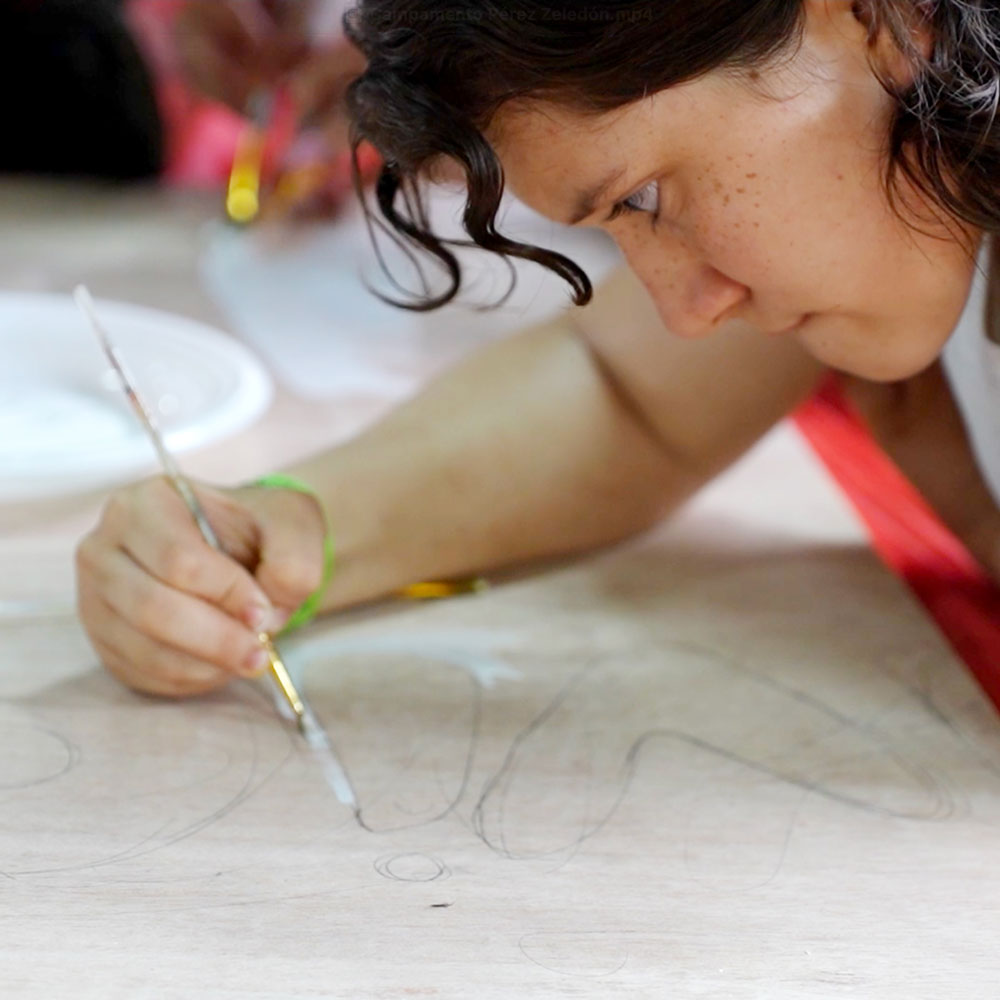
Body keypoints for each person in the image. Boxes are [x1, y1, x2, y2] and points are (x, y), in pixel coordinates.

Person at [77, 0, 1000, 698]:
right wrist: (286, 535)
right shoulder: (883, 164)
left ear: (885, 19)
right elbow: (626, 392)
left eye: (642, 197)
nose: (683, 313)